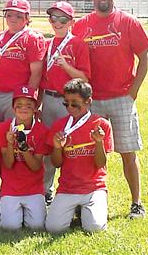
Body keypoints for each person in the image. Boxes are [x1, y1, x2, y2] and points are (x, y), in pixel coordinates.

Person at [72, 0, 148, 219]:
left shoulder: (128, 22)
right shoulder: (81, 25)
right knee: (90, 154)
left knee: (127, 152)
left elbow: (145, 57)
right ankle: (89, 202)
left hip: (120, 97)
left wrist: (133, 91)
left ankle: (136, 203)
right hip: (91, 100)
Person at [45, 79, 113, 233]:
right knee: (53, 228)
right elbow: (56, 164)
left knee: (95, 229)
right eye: (66, 103)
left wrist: (98, 143)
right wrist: (57, 148)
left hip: (93, 187)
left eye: (75, 103)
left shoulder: (101, 124)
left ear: (88, 101)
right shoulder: (59, 125)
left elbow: (101, 163)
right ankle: (78, 209)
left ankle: (87, 209)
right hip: (68, 187)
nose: (70, 107)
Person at [40, 1, 91, 206]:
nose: (57, 23)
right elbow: (43, 78)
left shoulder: (78, 44)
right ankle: (46, 189)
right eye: (53, 18)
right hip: (49, 100)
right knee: (50, 146)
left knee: (72, 146)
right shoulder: (48, 43)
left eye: (63, 19)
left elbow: (85, 78)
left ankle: (74, 190)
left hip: (70, 104)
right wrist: (37, 104)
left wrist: (66, 66)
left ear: (71, 22)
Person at [0, 86, 50, 230]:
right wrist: (10, 144)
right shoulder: (4, 128)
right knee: (10, 227)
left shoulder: (42, 130)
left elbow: (36, 166)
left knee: (36, 226)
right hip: (11, 188)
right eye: (19, 105)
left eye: (28, 105)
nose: (23, 109)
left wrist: (24, 148)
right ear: (13, 108)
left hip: (34, 187)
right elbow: (8, 164)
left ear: (35, 108)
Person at [0, 0, 46, 122]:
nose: (13, 19)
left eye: (18, 16)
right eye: (9, 15)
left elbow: (36, 74)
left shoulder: (33, 38)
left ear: (27, 18)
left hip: (18, 96)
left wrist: (26, 100)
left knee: (15, 134)